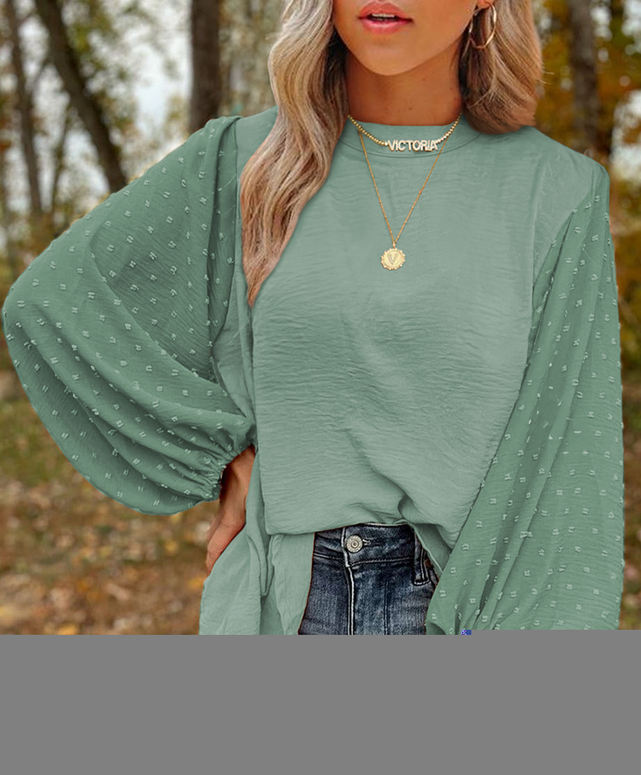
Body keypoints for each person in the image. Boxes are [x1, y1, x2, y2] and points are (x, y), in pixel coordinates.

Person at [2, 0, 625, 635]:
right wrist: (221, 453)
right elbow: (51, 304)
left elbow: (570, 465)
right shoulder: (243, 160)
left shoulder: (559, 190)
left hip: (468, 604)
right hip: (286, 600)